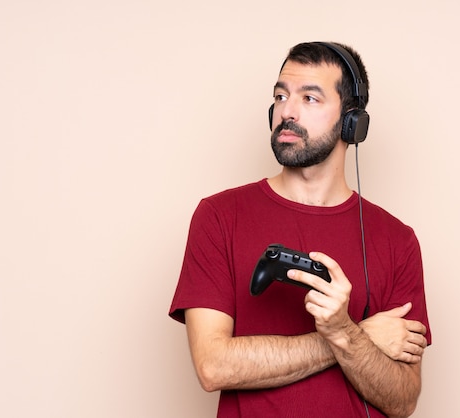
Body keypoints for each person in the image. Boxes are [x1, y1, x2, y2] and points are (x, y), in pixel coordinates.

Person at [169, 41, 431, 418]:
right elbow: (213, 366)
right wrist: (349, 335)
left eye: (310, 98)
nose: (286, 112)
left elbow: (402, 400)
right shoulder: (219, 216)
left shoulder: (397, 240)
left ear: (352, 121)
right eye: (280, 95)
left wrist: (344, 330)